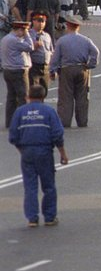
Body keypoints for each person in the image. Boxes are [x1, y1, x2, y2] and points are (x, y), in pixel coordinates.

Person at [9, 84, 68, 227]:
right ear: (43, 97)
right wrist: (63, 153)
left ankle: (32, 219)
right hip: (44, 151)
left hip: (27, 153)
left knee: (30, 186)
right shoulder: (49, 111)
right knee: (48, 186)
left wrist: (22, 151)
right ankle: (49, 217)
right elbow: (57, 134)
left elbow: (13, 136)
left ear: (28, 96)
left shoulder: (20, 112)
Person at [49, 14, 99, 127]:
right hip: (82, 68)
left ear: (67, 25)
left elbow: (55, 58)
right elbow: (95, 52)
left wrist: (52, 71)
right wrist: (90, 65)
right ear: (78, 27)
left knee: (66, 97)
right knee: (82, 97)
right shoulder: (86, 40)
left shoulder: (62, 41)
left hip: (66, 69)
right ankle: (82, 121)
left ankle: (65, 121)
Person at [2, 19, 34, 127]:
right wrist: (27, 34)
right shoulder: (15, 40)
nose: (24, 34)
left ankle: (10, 122)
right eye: (24, 31)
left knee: (11, 98)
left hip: (7, 70)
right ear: (20, 29)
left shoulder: (5, 38)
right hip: (18, 71)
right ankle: (23, 121)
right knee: (23, 97)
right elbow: (30, 47)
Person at [27, 15, 53, 93]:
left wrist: (53, 68)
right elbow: (23, 51)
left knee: (44, 91)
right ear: (33, 21)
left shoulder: (47, 36)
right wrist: (33, 47)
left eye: (43, 21)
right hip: (34, 67)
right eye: (38, 21)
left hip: (45, 68)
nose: (41, 23)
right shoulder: (28, 35)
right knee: (34, 92)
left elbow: (51, 51)